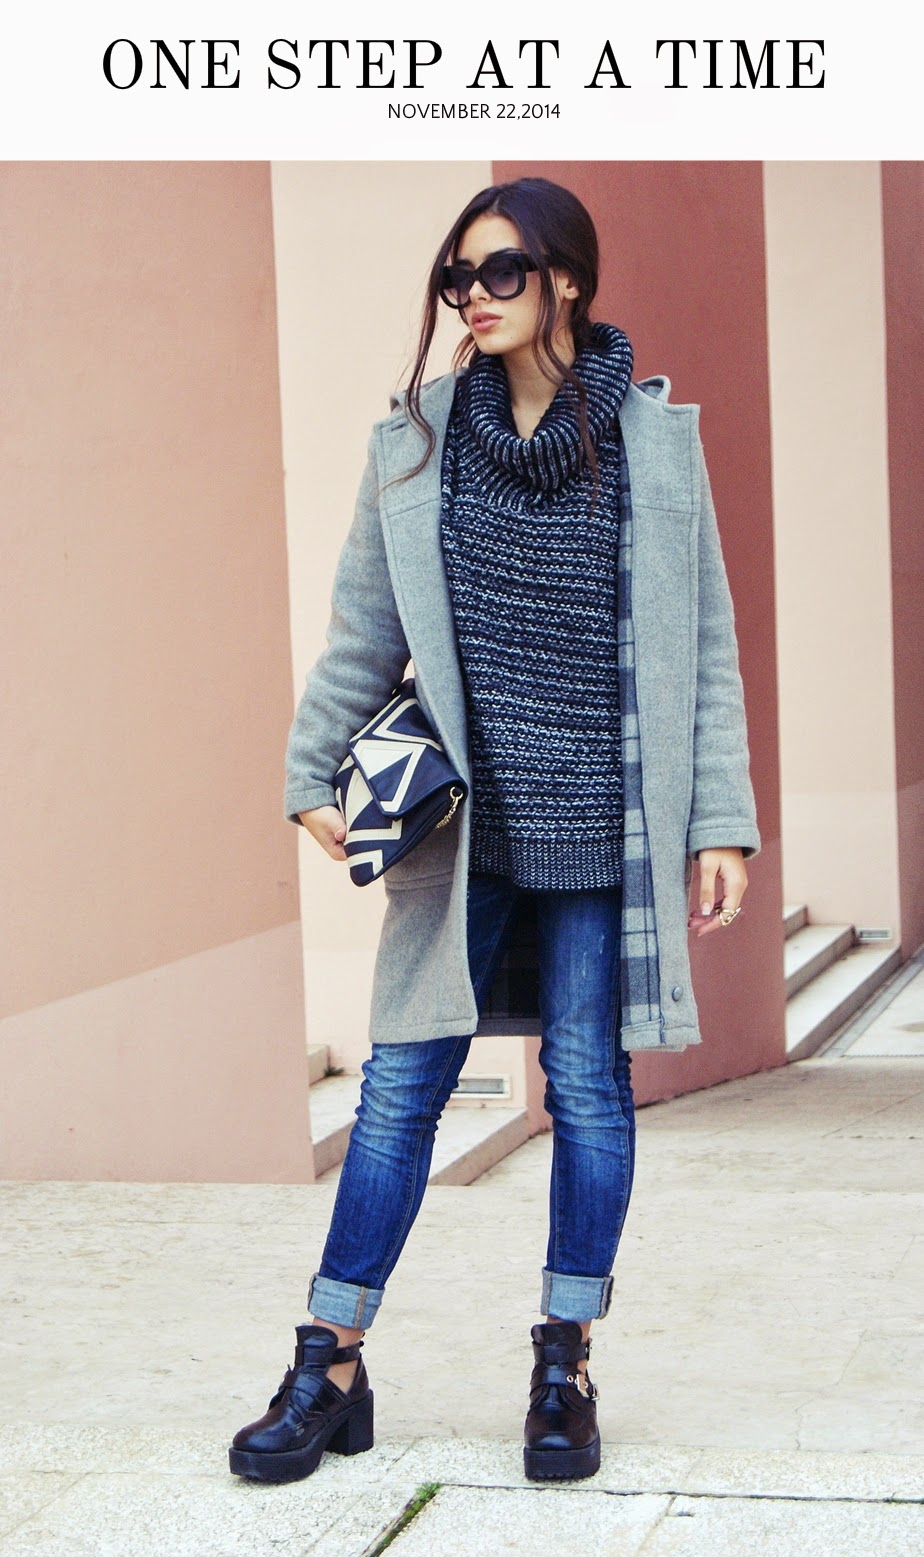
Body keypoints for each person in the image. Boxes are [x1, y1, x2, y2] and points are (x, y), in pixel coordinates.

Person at [229, 176, 760, 1486]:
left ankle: (563, 1361)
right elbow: (365, 628)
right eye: (457, 277)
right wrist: (307, 770)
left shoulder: (652, 442)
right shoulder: (415, 441)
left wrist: (722, 821)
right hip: (463, 833)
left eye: (501, 270)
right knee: (401, 1088)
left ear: (567, 279)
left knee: (589, 1089)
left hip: (604, 832)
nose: (473, 295)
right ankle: (329, 1360)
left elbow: (704, 643)